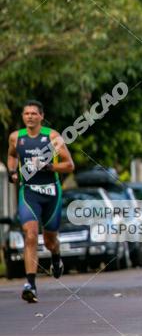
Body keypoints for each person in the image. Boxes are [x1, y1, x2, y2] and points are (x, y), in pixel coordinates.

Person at [7, 100, 75, 303]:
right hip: (29, 193)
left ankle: (56, 256)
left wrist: (50, 167)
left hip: (51, 193)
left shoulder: (52, 137)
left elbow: (69, 165)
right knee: (30, 235)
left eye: (34, 114)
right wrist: (12, 172)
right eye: (26, 113)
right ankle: (31, 285)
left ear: (41, 116)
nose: (30, 117)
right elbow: (11, 156)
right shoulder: (16, 138)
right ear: (22, 116)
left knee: (49, 241)